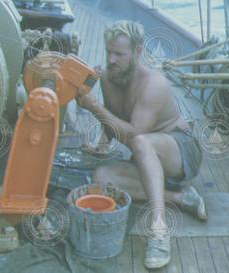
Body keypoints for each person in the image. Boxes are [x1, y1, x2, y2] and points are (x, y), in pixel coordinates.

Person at [76, 20, 207, 269]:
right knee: (101, 178)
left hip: (180, 150)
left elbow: (133, 135)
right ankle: (180, 197)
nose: (112, 59)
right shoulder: (107, 76)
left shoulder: (154, 84)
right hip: (145, 154)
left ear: (137, 51)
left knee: (140, 142)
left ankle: (159, 231)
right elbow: (113, 117)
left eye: (119, 54)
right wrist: (102, 144)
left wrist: (93, 106)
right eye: (109, 52)